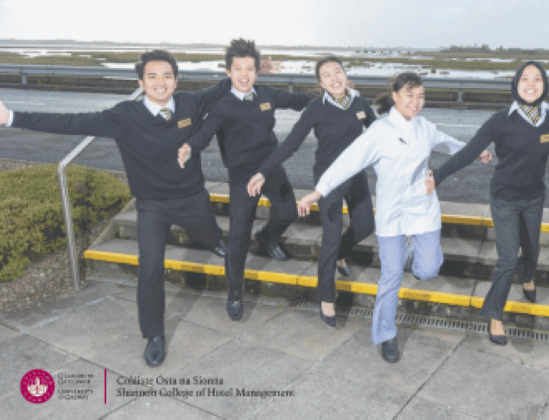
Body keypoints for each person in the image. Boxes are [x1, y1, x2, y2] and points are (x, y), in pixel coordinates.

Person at [0, 49, 267, 367]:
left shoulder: (190, 104)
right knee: (150, 269)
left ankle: (213, 241)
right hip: (152, 206)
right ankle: (154, 334)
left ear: (176, 80)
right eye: (152, 76)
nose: (160, 83)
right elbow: (71, 121)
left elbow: (226, 86)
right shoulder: (123, 116)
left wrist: (258, 69)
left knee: (210, 233)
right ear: (141, 81)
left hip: (193, 198)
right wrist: (11, 117)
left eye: (167, 76)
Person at [295, 72, 489, 363]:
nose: (416, 101)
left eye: (420, 96)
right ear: (395, 96)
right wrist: (319, 191)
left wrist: (475, 152)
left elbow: (449, 143)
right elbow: (348, 161)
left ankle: (410, 253)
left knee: (428, 269)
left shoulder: (425, 127)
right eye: (409, 95)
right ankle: (386, 334)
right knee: (391, 276)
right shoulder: (380, 131)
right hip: (392, 214)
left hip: (423, 210)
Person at [426, 61, 549, 346]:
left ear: (545, 85)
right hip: (504, 197)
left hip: (534, 197)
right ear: (515, 84)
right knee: (506, 259)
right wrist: (439, 175)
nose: (531, 84)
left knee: (531, 249)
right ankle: (495, 317)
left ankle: (528, 275)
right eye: (524, 79)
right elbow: (469, 152)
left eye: (537, 79)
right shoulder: (500, 120)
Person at [178, 38, 310, 322]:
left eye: (250, 68)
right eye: (238, 69)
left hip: (272, 167)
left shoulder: (266, 94)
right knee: (238, 235)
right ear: (228, 72)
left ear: (257, 71)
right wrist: (190, 146)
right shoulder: (222, 105)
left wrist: (328, 93)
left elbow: (299, 101)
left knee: (287, 211)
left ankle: (268, 236)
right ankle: (235, 293)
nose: (244, 74)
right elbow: (205, 131)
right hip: (241, 176)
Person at [246, 55, 376, 327]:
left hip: (355, 176)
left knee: (364, 226)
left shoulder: (361, 103)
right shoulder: (316, 110)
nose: (334, 78)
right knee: (331, 236)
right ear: (320, 82)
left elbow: (379, 136)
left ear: (344, 73)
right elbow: (289, 145)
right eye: (326, 75)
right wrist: (263, 171)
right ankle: (326, 298)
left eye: (337, 72)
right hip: (328, 180)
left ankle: (341, 253)